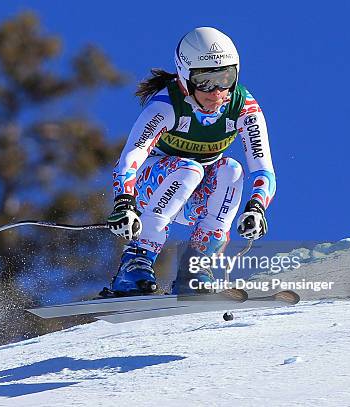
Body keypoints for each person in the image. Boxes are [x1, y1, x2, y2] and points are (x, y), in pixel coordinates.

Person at [106, 27, 275, 296]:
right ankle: (136, 260)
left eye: (225, 77)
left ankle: (196, 267)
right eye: (205, 81)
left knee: (232, 170)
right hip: (149, 190)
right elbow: (131, 157)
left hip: (194, 199)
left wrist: (257, 207)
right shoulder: (167, 105)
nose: (216, 91)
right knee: (190, 169)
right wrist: (123, 202)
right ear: (185, 78)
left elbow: (262, 168)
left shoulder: (243, 108)